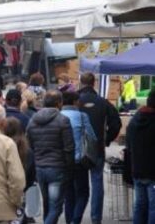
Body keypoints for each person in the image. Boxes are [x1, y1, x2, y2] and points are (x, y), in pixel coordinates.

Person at [78, 72, 121, 224]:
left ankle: (75, 217)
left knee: (79, 184)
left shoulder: (74, 101)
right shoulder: (103, 102)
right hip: (97, 148)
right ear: (94, 83)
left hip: (78, 149)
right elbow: (116, 123)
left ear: (81, 83)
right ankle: (96, 218)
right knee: (97, 182)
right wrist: (107, 139)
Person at [26, 90, 74, 224]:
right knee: (56, 207)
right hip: (57, 168)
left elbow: (29, 145)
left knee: (47, 203)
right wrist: (70, 169)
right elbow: (69, 148)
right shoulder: (63, 120)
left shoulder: (33, 120)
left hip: (40, 167)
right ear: (59, 103)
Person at [61, 91, 97, 224]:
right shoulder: (82, 116)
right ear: (76, 102)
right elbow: (92, 136)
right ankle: (75, 221)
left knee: (68, 195)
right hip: (79, 160)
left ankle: (69, 220)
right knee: (83, 194)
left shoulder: (58, 115)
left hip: (63, 161)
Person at [125, 89, 155, 224]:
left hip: (137, 169)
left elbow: (128, 146)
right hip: (152, 172)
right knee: (153, 207)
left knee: (139, 205)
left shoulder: (134, 120)